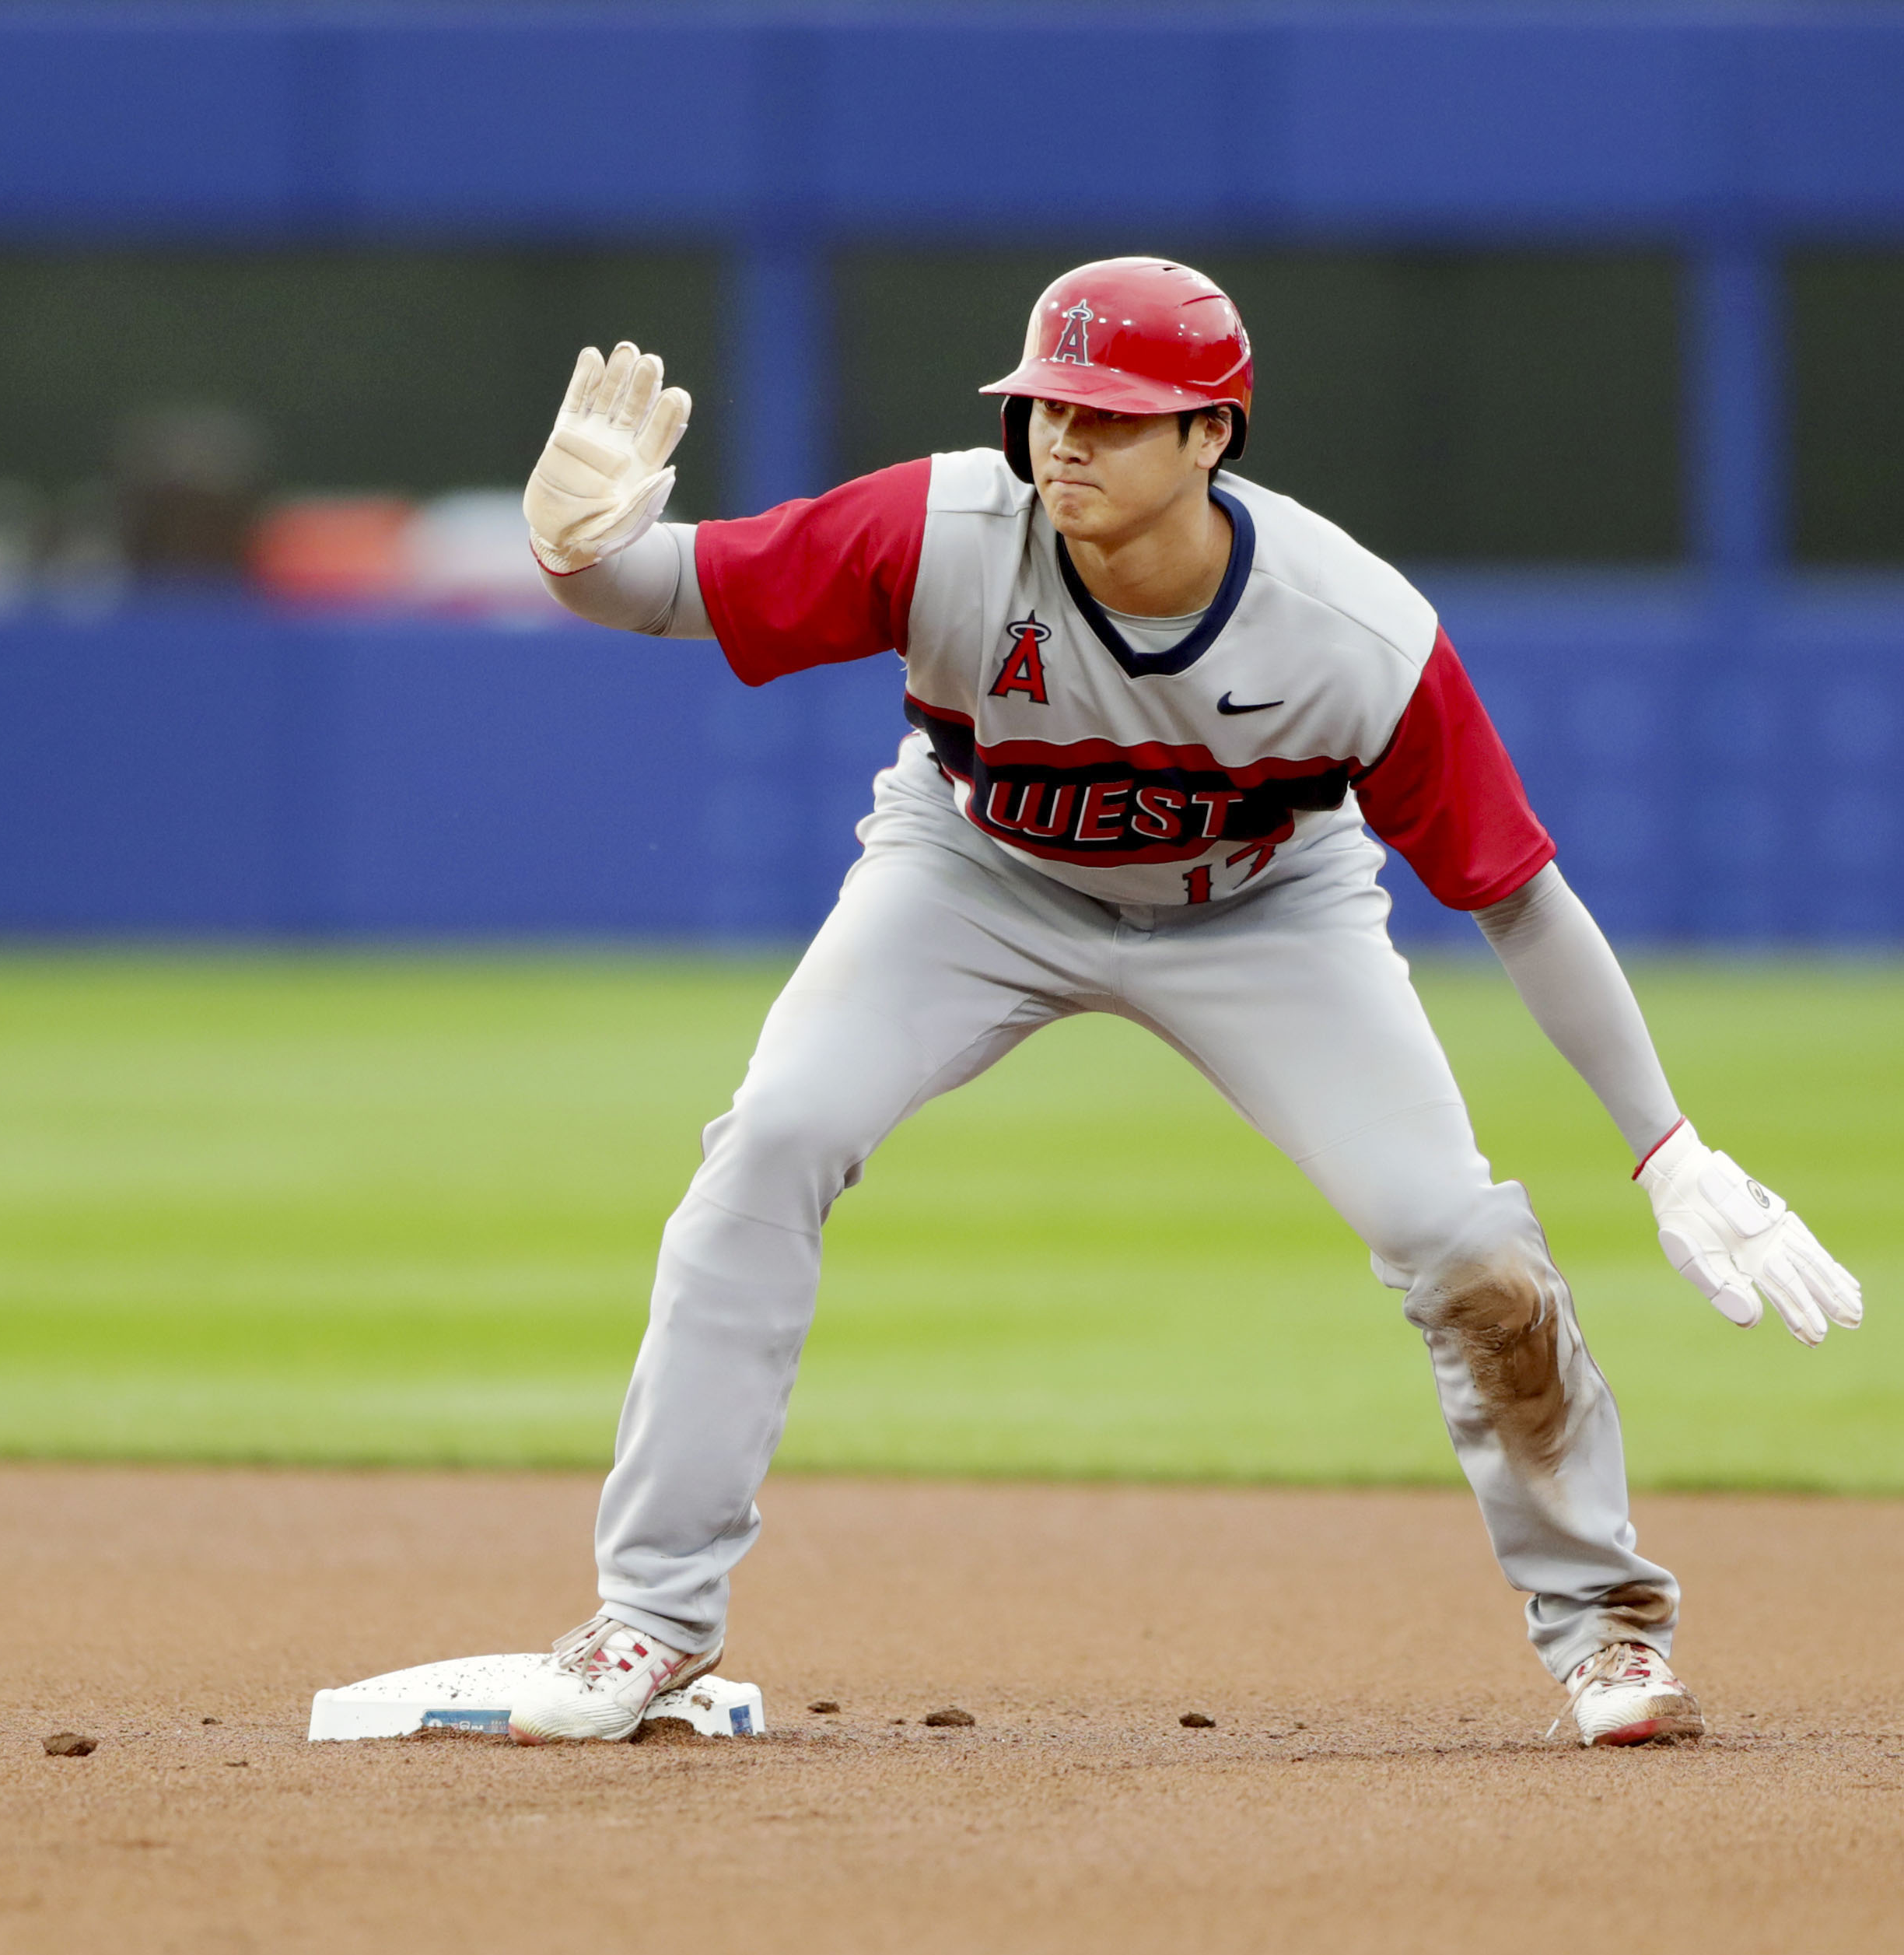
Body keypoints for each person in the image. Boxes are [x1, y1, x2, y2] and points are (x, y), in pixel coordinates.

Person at [500, 258, 1863, 1749]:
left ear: (1212, 435)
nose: (1062, 440)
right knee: (768, 1141)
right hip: (971, 874)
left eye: (1110, 413)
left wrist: (1662, 1144)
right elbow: (668, 587)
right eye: (1043, 407)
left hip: (1262, 908)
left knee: (1457, 1238)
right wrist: (576, 546)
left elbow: (1514, 892)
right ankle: (650, 1617)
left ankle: (1604, 1630)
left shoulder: (1351, 631)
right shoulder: (941, 527)